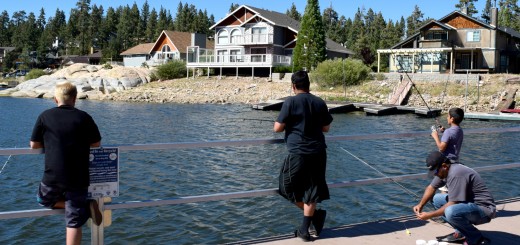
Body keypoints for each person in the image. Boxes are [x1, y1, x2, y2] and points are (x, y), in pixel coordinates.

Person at [30, 81, 103, 245]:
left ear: (55, 100)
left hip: (53, 175)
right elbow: (96, 143)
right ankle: (81, 206)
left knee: (43, 200)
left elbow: (34, 145)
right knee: (74, 221)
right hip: (79, 177)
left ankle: (81, 206)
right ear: (75, 99)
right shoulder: (84, 117)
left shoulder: (45, 116)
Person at [274, 70, 333, 242]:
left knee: (284, 187)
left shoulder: (290, 102)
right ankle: (307, 227)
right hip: (318, 153)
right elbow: (326, 128)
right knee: (311, 191)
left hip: (298, 153)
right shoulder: (319, 102)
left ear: (293, 86)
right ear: (308, 85)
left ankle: (309, 224)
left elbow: (277, 128)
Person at [413, 151, 495, 245]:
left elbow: (453, 203)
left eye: (435, 172)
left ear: (444, 166)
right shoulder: (445, 170)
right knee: (436, 199)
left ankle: (476, 238)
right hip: (468, 204)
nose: (435, 175)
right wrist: (420, 205)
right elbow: (431, 187)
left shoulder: (456, 173)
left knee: (450, 211)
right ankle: (461, 232)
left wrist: (430, 215)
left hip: (484, 210)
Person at [431, 107, 464, 193]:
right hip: (455, 161)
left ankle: (444, 205)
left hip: (446, 163)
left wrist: (436, 137)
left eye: (448, 116)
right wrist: (445, 131)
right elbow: (452, 137)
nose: (446, 118)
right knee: (450, 186)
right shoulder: (460, 130)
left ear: (452, 118)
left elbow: (441, 148)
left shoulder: (448, 132)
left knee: (443, 188)